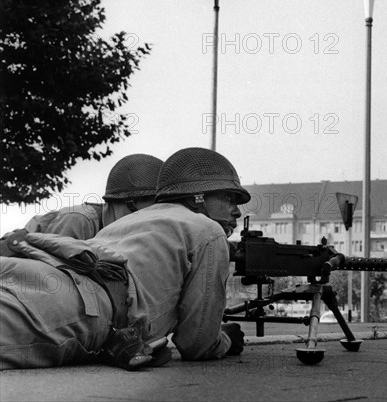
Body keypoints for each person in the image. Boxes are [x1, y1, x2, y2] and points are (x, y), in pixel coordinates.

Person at [0, 147, 247, 370]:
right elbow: (198, 344)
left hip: (32, 271)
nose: (236, 210)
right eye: (229, 198)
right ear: (199, 196)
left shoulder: (132, 218)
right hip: (78, 301)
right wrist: (224, 338)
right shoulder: (208, 231)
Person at [22, 153, 164, 239]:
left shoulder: (113, 230)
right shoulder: (79, 221)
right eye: (141, 215)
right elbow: (50, 275)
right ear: (128, 204)